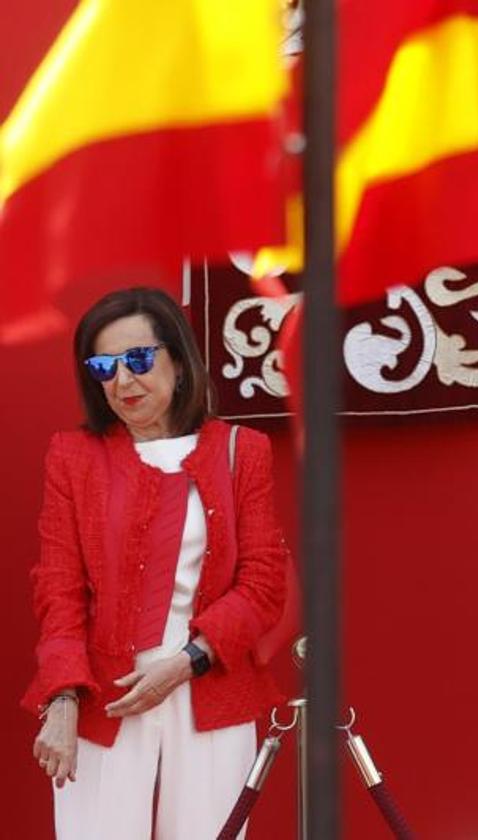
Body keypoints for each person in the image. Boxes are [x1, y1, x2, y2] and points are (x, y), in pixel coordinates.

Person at [23, 287, 289, 839]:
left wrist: (188, 660)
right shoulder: (74, 458)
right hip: (105, 694)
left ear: (178, 359)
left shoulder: (243, 451)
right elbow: (59, 590)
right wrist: (64, 697)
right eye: (104, 366)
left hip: (209, 683)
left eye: (139, 360)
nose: (123, 381)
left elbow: (264, 582)